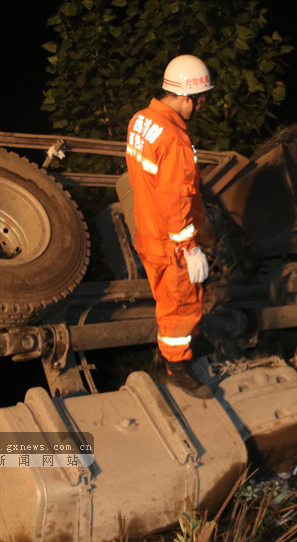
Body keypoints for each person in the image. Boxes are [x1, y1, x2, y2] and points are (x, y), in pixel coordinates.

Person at [125, 55, 214, 399]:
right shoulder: (174, 139)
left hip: (148, 228)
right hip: (170, 241)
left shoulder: (141, 119)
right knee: (181, 303)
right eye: (201, 99)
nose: (202, 105)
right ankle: (179, 366)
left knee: (169, 297)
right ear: (186, 96)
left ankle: (185, 343)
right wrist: (189, 247)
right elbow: (176, 200)